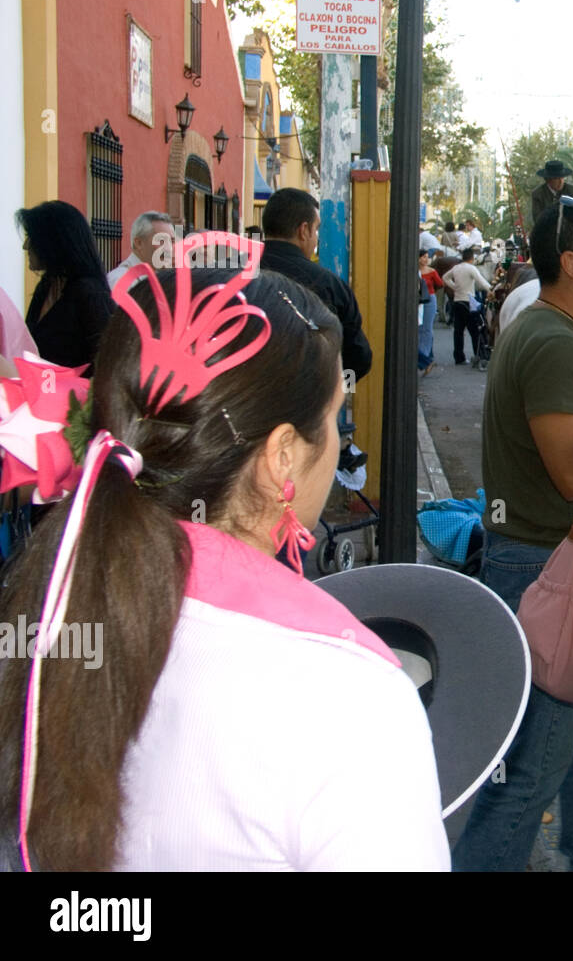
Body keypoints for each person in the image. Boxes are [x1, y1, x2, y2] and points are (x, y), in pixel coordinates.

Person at [0, 261, 448, 871]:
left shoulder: (48, 602)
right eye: (335, 417)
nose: (340, 440)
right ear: (283, 455)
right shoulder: (351, 697)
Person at [453, 198, 573, 873]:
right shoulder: (555, 342)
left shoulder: (552, 332)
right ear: (572, 262)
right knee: (530, 777)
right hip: (543, 570)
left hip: (537, 564)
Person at [259, 188, 372, 383]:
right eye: (316, 229)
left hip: (231, 405)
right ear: (304, 231)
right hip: (303, 403)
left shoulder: (227, 272)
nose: (316, 237)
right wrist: (328, 391)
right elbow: (358, 357)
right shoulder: (329, 285)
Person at [16, 201, 112, 376]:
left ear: (54, 242)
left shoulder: (90, 293)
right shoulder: (46, 286)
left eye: (31, 236)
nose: (25, 246)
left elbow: (108, 363)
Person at [442, 250, 491, 368]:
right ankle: (478, 355)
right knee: (474, 331)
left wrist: (455, 287)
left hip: (457, 301)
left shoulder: (456, 268)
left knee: (458, 331)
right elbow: (482, 282)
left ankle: (459, 357)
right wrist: (491, 290)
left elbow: (445, 277)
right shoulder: (471, 268)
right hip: (469, 302)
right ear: (472, 258)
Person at [108, 211, 175, 288]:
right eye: (161, 241)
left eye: (172, 241)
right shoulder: (119, 281)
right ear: (139, 243)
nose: (169, 248)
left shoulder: (163, 279)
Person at [529, 161, 573, 227]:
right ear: (548, 180)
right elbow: (538, 220)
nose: (561, 181)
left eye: (562, 177)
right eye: (557, 178)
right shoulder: (538, 194)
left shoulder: (571, 190)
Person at [417, 247, 443, 375]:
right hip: (418, 302)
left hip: (428, 300)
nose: (426, 259)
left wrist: (430, 293)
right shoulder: (416, 271)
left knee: (426, 329)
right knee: (419, 329)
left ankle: (425, 355)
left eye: (427, 257)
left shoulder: (432, 271)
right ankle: (426, 358)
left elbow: (440, 284)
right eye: (423, 257)